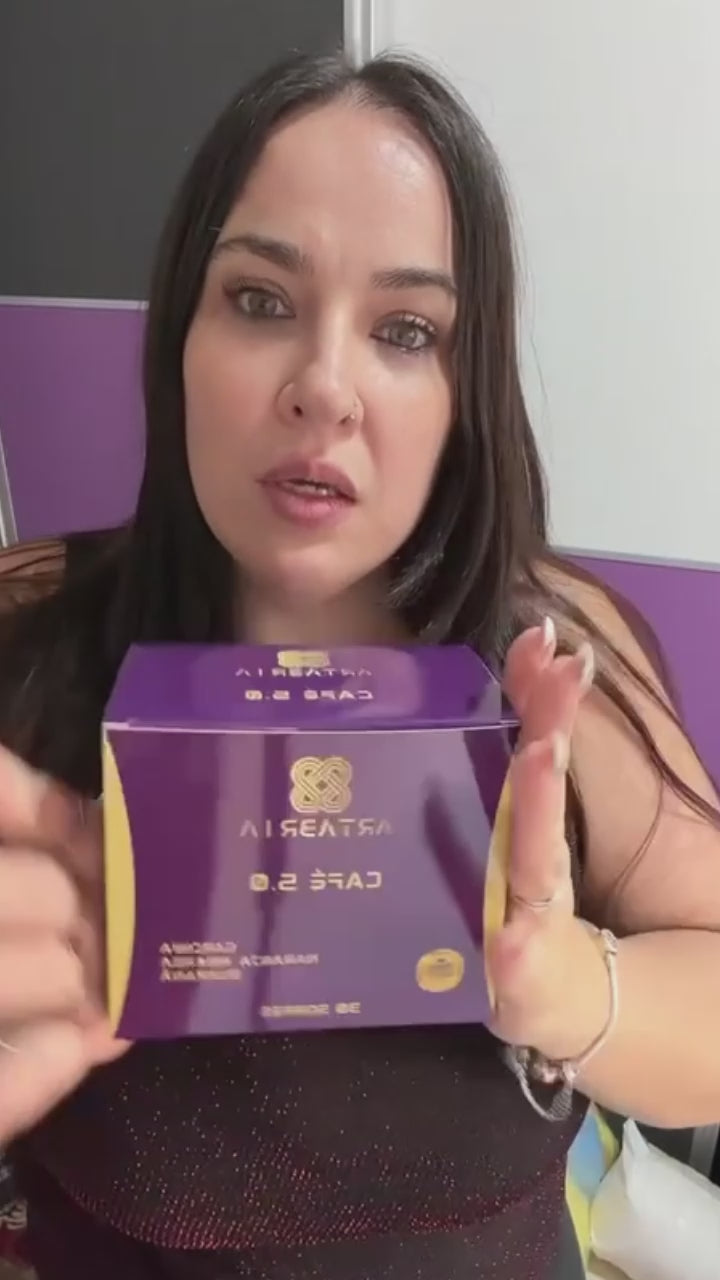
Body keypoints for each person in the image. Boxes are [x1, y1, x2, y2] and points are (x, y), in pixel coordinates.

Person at [0, 49, 718, 1280]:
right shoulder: (31, 639)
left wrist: (569, 990)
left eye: (405, 330)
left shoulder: (553, 660)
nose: (324, 388)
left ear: (463, 392)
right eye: (260, 299)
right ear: (180, 335)